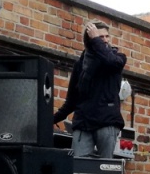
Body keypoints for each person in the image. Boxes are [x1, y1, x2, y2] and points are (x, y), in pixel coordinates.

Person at [54, 20, 127, 159]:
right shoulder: (80, 65)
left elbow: (111, 61)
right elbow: (72, 101)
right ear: (90, 39)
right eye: (100, 37)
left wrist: (96, 41)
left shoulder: (118, 58)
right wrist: (50, 119)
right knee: (78, 168)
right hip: (83, 123)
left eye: (107, 36)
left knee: (105, 169)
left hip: (107, 121)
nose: (105, 40)